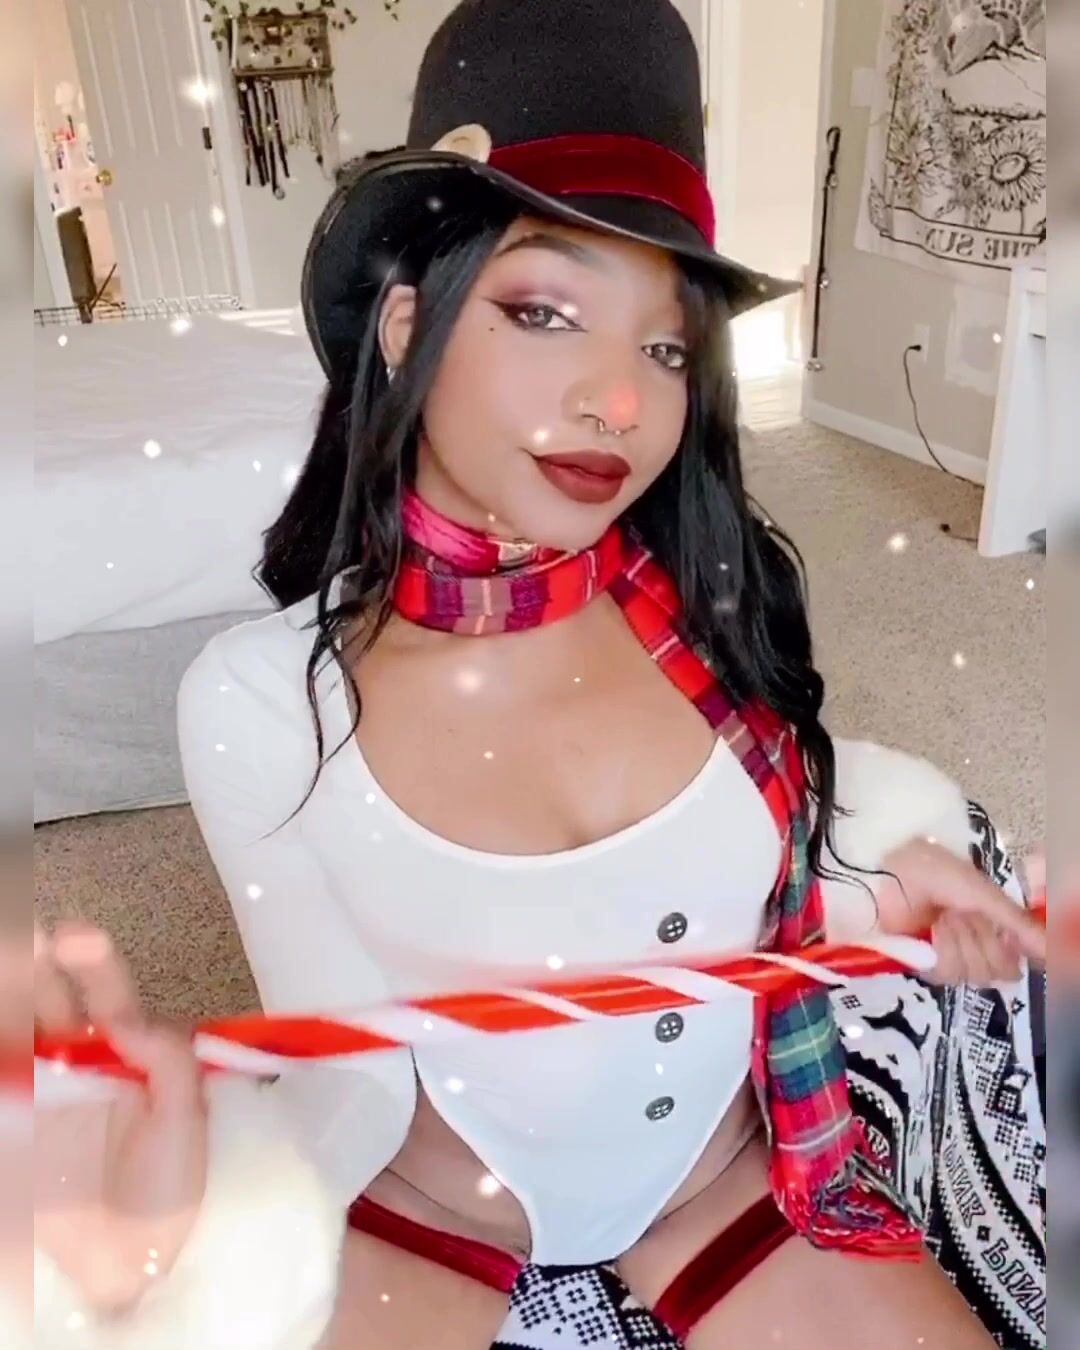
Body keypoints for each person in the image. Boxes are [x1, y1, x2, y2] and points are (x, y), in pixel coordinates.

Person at [33, 3, 1046, 1348]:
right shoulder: (260, 706)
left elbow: (770, 832)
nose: (619, 401)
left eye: (665, 346)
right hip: (437, 1205)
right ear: (407, 326)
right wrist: (181, 1215)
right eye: (544, 310)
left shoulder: (708, 608)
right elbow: (332, 1058)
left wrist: (893, 862)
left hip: (719, 1177)